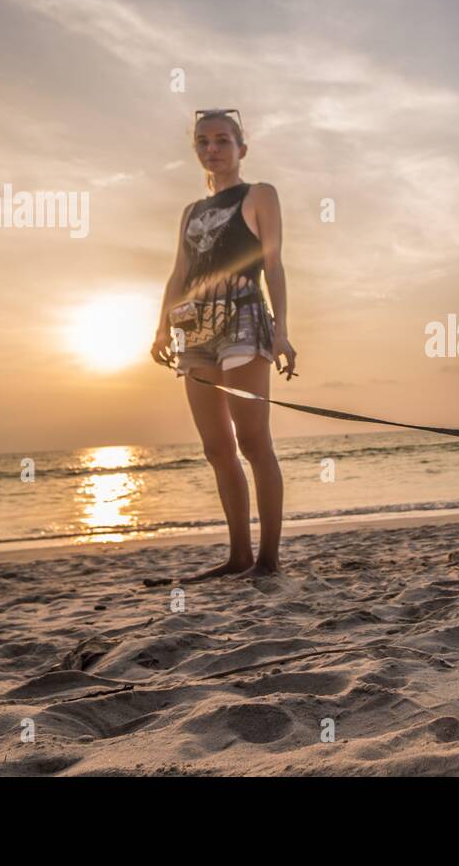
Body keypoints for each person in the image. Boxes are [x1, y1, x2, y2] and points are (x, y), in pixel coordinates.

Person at [150, 109, 297, 579]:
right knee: (216, 448)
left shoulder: (259, 195)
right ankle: (238, 556)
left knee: (254, 440)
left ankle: (268, 560)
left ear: (241, 148)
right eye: (203, 142)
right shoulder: (191, 212)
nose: (212, 149)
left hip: (244, 317)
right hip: (194, 329)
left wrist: (283, 330)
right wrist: (160, 327)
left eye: (222, 140)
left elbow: (272, 263)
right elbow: (179, 271)